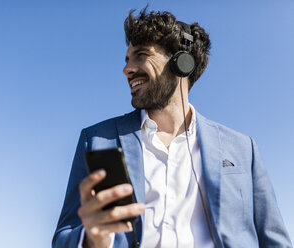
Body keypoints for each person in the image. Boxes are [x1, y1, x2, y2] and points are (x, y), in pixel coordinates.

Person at [52, 8, 292, 248]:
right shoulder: (97, 139)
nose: (127, 69)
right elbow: (64, 236)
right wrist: (92, 239)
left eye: (141, 55)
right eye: (127, 59)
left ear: (181, 64)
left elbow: (274, 240)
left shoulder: (242, 149)